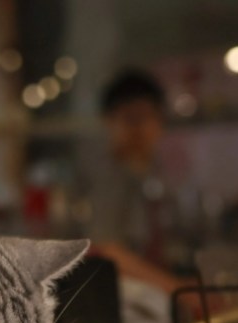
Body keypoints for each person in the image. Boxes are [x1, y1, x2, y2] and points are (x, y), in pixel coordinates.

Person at [82, 69, 200, 296]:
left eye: (145, 117)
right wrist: (179, 290)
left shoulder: (165, 176)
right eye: (129, 118)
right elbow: (106, 252)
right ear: (109, 122)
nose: (138, 128)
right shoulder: (107, 180)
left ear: (160, 121)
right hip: (128, 302)